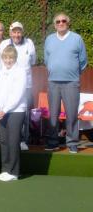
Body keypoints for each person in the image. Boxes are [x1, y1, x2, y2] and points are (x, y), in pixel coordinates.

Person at [44, 12, 88, 153]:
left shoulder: (77, 39)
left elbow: (83, 61)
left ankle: (72, 143)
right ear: (55, 24)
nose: (61, 23)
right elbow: (46, 59)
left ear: (68, 23)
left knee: (71, 114)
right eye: (58, 21)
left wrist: (73, 73)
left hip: (71, 83)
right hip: (53, 82)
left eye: (63, 21)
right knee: (53, 114)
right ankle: (53, 142)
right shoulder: (49, 39)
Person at [0, 45, 27, 182]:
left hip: (15, 111)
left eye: (11, 58)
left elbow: (17, 94)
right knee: (4, 141)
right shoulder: (2, 71)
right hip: (1, 112)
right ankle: (5, 169)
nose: (8, 60)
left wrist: (5, 109)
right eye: (5, 57)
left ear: (15, 58)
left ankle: (14, 172)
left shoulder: (20, 71)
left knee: (13, 141)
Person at [0, 21, 36, 151]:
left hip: (25, 85)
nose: (17, 34)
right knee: (9, 111)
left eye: (19, 31)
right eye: (14, 32)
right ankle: (10, 139)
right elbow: (1, 63)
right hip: (8, 85)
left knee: (23, 114)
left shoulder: (29, 43)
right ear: (10, 33)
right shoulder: (4, 44)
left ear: (22, 32)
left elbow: (33, 60)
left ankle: (23, 140)